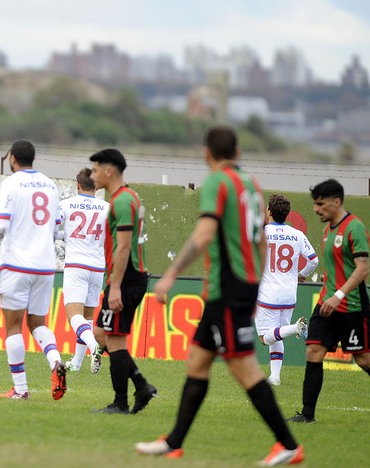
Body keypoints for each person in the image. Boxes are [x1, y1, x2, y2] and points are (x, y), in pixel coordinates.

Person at [135, 126, 304, 466]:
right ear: (238, 151)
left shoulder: (217, 182)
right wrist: (256, 281)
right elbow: (260, 239)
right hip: (241, 285)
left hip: (227, 287)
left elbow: (204, 233)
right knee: (197, 362)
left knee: (245, 369)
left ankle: (288, 444)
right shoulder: (253, 187)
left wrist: (170, 274)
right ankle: (174, 442)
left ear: (206, 153)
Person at [0, 139, 67, 400]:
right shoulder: (50, 185)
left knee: (13, 326)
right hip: (46, 266)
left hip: (17, 264)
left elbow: (1, 225)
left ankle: (21, 389)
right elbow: (57, 227)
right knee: (37, 322)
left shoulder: (11, 184)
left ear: (12, 158)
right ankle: (56, 362)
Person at [288, 179, 370, 424]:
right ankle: (307, 415)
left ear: (337, 201)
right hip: (326, 304)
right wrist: (330, 295)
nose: (316, 209)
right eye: (314, 204)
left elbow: (363, 267)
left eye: (320, 204)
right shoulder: (328, 230)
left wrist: (340, 295)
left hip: (351, 306)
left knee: (364, 359)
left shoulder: (354, 227)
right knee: (313, 351)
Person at [88, 148, 157, 414]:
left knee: (113, 339)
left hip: (126, 278)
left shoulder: (122, 201)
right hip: (127, 277)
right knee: (102, 335)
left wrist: (114, 286)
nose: (92, 175)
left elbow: (124, 247)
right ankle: (141, 385)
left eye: (95, 170)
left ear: (109, 171)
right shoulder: (128, 197)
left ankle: (120, 403)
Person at [255, 194, 318, 386]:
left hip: (268, 294)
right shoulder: (297, 234)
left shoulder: (261, 233)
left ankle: (295, 328)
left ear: (269, 211)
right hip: (289, 294)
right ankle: (275, 377)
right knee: (277, 333)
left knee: (264, 338)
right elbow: (314, 260)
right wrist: (301, 274)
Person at [59, 168, 110, 373]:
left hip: (76, 265)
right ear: (96, 186)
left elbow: (51, 227)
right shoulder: (107, 208)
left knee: (74, 316)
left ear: (77, 185)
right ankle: (77, 363)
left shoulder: (66, 204)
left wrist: (64, 235)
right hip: (97, 267)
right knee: (88, 316)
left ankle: (94, 345)